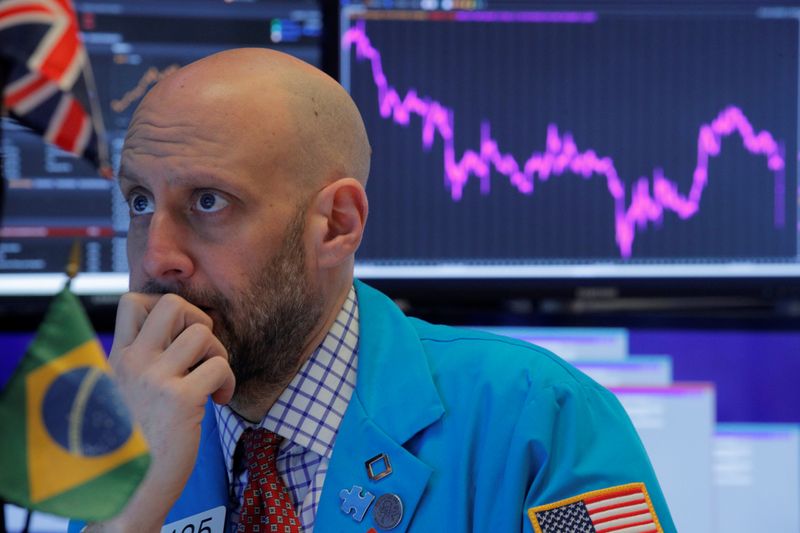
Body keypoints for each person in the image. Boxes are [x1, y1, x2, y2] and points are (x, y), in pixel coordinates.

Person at [71, 48, 676, 533]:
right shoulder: (137, 426)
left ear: (337, 224)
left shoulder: (537, 418)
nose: (155, 256)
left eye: (209, 202)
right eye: (140, 203)